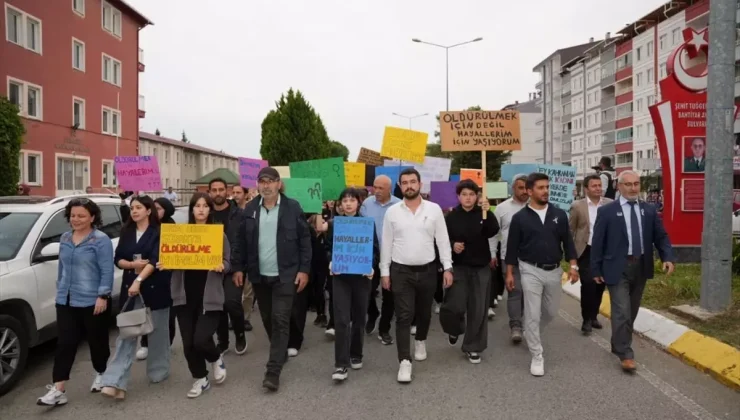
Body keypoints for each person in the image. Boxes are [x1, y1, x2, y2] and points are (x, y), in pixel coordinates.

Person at [231, 167, 311, 392]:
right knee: (267, 318)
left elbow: (305, 241)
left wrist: (304, 270)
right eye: (262, 181)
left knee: (280, 318)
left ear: (278, 184)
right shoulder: (249, 209)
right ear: (257, 184)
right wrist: (238, 268)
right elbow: (240, 242)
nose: (266, 185)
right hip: (259, 275)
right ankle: (281, 349)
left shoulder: (292, 207)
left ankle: (273, 371)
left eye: (270, 181)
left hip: (285, 275)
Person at [590, 170, 675, 373]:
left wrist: (668, 257)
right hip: (616, 267)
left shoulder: (649, 210)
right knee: (622, 311)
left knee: (632, 310)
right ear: (619, 187)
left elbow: (660, 236)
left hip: (641, 266)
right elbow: (598, 243)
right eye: (628, 184)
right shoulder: (607, 211)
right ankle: (625, 353)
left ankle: (617, 341)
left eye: (636, 184)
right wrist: (595, 268)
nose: (633, 188)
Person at [36, 199, 114, 407]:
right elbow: (62, 266)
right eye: (73, 215)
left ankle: (101, 372)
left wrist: (103, 296)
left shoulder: (100, 239)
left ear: (92, 217)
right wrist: (59, 290)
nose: (76, 219)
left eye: (81, 216)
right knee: (65, 344)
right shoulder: (65, 238)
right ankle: (59, 389)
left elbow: (107, 270)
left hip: (93, 300)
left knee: (97, 341)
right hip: (66, 299)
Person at [379, 168, 453, 383]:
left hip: (428, 270)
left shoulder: (434, 209)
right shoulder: (392, 212)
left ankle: (421, 339)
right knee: (403, 315)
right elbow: (386, 243)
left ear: (420, 184)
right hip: (400, 271)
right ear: (400, 186)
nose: (409, 185)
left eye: (413, 181)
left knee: (424, 312)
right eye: (405, 182)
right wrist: (385, 272)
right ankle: (404, 361)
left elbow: (442, 240)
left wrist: (447, 267)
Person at [505, 172, 578, 377]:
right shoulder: (520, 218)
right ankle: (537, 355)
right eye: (540, 187)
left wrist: (574, 266)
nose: (545, 191)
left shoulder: (559, 214)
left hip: (554, 270)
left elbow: (568, 243)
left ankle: (530, 331)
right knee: (532, 313)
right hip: (529, 270)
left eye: (547, 187)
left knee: (551, 311)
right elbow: (512, 248)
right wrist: (509, 273)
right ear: (529, 191)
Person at [98, 195, 169, 399]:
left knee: (158, 332)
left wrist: (140, 279)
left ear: (149, 211)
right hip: (131, 288)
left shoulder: (159, 231)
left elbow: (156, 259)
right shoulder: (127, 231)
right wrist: (131, 267)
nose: (134, 211)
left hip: (156, 288)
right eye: (132, 208)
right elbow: (118, 258)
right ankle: (115, 381)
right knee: (127, 334)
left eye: (139, 207)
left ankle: (158, 372)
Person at [165, 193, 230, 398]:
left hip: (209, 296)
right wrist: (165, 263)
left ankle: (215, 357)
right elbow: (170, 256)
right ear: (191, 210)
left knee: (201, 339)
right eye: (197, 206)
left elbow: (228, 261)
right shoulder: (181, 234)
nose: (201, 209)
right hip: (184, 296)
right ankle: (200, 378)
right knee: (188, 344)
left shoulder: (218, 235)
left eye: (205, 205)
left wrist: (222, 266)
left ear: (210, 210)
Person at [440, 180, 499, 364]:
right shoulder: (450, 216)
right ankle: (454, 329)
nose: (468, 198)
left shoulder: (483, 213)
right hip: (458, 267)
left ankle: (473, 346)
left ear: (477, 196)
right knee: (454, 305)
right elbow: (441, 240)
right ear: (458, 196)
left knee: (478, 308)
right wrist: (452, 245)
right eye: (464, 194)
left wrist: (488, 212)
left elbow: (493, 231)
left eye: (472, 194)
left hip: (480, 267)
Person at [326, 188, 379, 382]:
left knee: (359, 318)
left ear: (359, 203)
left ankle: (356, 353)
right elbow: (328, 248)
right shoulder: (334, 224)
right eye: (345, 200)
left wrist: (371, 266)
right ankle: (341, 364)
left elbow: (374, 249)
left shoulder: (367, 225)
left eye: (352, 200)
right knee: (341, 319)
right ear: (340, 203)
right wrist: (331, 261)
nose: (348, 203)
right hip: (340, 277)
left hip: (361, 278)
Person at [568, 174, 612, 335]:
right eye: (594, 186)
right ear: (586, 189)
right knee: (588, 285)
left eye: (600, 185)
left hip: (604, 251)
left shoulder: (610, 204)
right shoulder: (578, 206)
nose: (598, 188)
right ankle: (586, 319)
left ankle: (594, 316)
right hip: (585, 250)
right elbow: (571, 230)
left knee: (600, 284)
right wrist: (571, 255)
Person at [360, 174, 400, 345]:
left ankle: (384, 329)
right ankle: (373, 313)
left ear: (389, 188)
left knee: (390, 295)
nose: (376, 191)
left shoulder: (399, 204)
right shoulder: (367, 204)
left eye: (380, 188)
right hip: (371, 255)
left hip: (392, 257)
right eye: (374, 187)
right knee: (367, 291)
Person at [209, 178, 248, 355]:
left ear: (227, 191)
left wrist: (239, 268)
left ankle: (240, 334)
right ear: (210, 192)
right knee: (217, 305)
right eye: (214, 190)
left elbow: (242, 242)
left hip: (233, 268)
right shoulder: (206, 214)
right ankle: (222, 342)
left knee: (231, 302)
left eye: (221, 189)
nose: (218, 193)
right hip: (211, 268)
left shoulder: (238, 214)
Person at [489, 174, 529, 343]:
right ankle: (516, 326)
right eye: (521, 188)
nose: (524, 192)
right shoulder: (502, 209)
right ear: (513, 188)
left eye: (527, 188)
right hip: (509, 258)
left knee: (529, 294)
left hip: (533, 259)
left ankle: (528, 323)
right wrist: (492, 253)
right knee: (514, 291)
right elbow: (493, 234)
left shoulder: (538, 207)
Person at [137, 197, 178, 360]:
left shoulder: (172, 228)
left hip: (168, 277)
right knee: (147, 311)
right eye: (153, 208)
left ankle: (166, 343)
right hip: (149, 275)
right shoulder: (146, 227)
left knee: (168, 313)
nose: (155, 211)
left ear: (166, 210)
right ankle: (146, 343)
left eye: (159, 208)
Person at [231, 185, 255, 332]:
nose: (235, 195)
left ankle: (246, 318)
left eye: (238, 192)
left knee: (248, 291)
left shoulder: (252, 210)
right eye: (233, 192)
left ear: (246, 194)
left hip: (250, 255)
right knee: (234, 292)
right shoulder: (231, 211)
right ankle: (233, 318)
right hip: (235, 255)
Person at [309, 214, 330, 328]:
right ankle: (318, 312)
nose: (320, 225)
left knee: (320, 289)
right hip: (311, 266)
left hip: (323, 266)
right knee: (314, 290)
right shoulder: (309, 235)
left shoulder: (325, 237)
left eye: (322, 222)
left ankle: (322, 315)